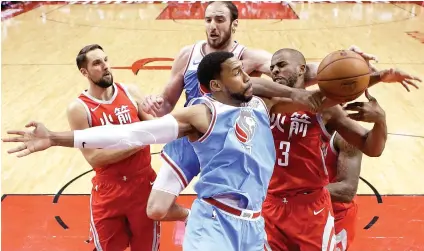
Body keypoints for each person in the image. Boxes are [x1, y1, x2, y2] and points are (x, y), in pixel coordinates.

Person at [3, 51, 324, 251]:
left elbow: (300, 78)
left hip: (254, 224)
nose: (249, 76)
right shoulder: (201, 114)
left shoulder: (256, 101)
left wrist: (370, 76)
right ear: (216, 86)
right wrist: (56, 138)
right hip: (214, 222)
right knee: (154, 207)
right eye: (237, 73)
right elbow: (131, 133)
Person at [144, 1, 370, 221]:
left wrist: (347, 61)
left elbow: (298, 72)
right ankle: (197, 218)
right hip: (191, 137)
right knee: (156, 209)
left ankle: (222, 228)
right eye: (208, 19)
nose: (213, 25)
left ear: (234, 24)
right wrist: (152, 104)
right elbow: (166, 104)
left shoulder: (248, 57)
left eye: (220, 20)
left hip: (231, 141)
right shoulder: (188, 55)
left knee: (236, 208)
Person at [262, 48, 421, 251]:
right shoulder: (266, 102)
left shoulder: (327, 111)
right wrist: (376, 77)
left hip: (310, 208)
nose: (275, 70)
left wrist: (380, 120)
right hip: (271, 205)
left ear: (302, 69)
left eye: (281, 65)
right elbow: (321, 97)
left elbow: (371, 147)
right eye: (272, 67)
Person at [68, 44, 159, 251]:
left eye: (106, 60)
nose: (106, 66)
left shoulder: (131, 92)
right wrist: (137, 141)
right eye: (97, 63)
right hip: (108, 191)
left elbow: (155, 129)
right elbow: (95, 158)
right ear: (84, 72)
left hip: (143, 184)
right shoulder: (79, 109)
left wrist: (158, 106)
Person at [322, 132, 361, 251]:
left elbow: (347, 190)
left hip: (334, 215)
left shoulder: (346, 134)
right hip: (295, 210)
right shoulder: (285, 125)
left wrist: (298, 191)